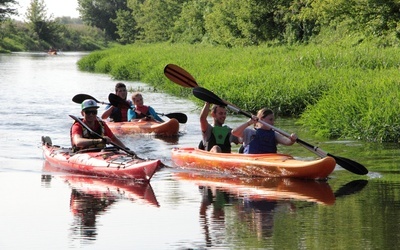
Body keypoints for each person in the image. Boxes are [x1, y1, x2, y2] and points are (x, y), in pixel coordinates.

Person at [232, 108, 297, 154]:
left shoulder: (274, 134)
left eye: (273, 120)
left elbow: (287, 142)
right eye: (270, 120)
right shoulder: (249, 132)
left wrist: (292, 140)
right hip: (252, 160)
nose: (273, 122)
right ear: (261, 119)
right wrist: (248, 123)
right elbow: (234, 132)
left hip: (269, 160)